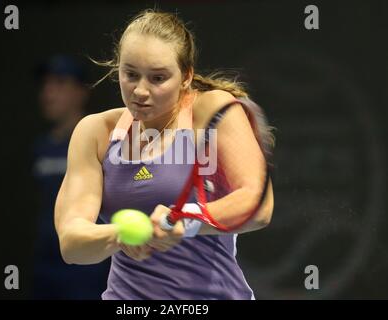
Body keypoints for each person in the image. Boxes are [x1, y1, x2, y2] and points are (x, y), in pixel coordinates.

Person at [54, 9, 275, 300]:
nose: (140, 91)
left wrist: (184, 220)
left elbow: (258, 206)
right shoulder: (95, 132)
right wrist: (120, 234)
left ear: (186, 77)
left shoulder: (213, 110)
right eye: (130, 74)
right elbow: (72, 243)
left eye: (158, 78)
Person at [31, 55, 110, 299]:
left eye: (60, 83)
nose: (49, 92)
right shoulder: (40, 147)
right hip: (46, 264)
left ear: (81, 92)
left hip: (90, 267)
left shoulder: (103, 143)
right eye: (46, 84)